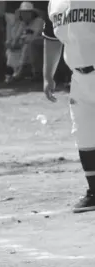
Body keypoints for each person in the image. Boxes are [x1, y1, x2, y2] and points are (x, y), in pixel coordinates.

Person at [43, 0, 95, 213]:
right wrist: (48, 75)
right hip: (79, 78)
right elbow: (52, 39)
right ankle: (94, 192)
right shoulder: (55, 3)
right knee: (84, 133)